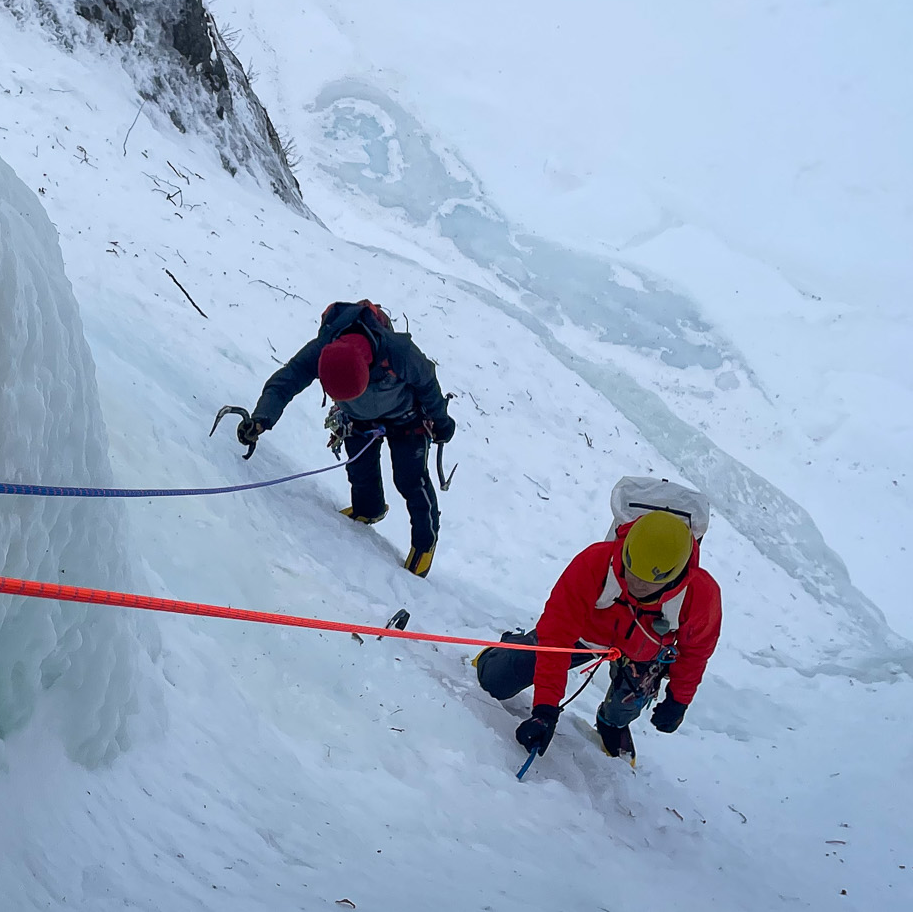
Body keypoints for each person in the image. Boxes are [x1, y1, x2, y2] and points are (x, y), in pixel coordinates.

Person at [474, 499, 722, 765]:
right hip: (586, 636)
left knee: (622, 710)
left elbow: (695, 653)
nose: (635, 584)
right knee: (495, 680)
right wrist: (544, 711)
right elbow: (556, 638)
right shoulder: (594, 563)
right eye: (630, 572)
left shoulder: (701, 596)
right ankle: (508, 648)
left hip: (645, 652)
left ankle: (612, 722)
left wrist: (678, 700)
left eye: (647, 582)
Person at [234, 300, 455, 576]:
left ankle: (425, 541)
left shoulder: (398, 351)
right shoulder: (324, 349)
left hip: (407, 418)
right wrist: (261, 419)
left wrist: (441, 421)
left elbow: (427, 384)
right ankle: (369, 508)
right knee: (360, 468)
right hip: (359, 417)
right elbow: (286, 381)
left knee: (411, 479)